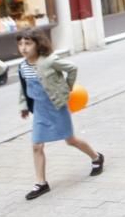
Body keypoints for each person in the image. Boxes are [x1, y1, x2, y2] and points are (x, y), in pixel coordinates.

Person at [16, 29, 103, 201]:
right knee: (37, 145)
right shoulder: (22, 67)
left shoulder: (49, 61)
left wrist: (67, 88)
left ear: (38, 44)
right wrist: (23, 105)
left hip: (57, 106)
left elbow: (72, 68)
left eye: (28, 43)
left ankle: (96, 157)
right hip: (40, 109)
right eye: (20, 44)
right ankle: (41, 183)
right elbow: (23, 87)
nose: (23, 48)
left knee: (71, 140)